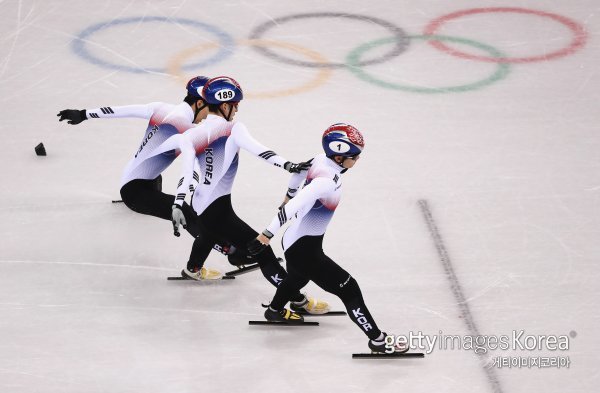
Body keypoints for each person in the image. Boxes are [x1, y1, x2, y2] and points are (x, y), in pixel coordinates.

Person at [170, 76, 329, 313]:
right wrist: (287, 165)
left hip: (199, 205)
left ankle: (193, 268)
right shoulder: (233, 129)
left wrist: (178, 203)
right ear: (225, 105)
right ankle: (297, 300)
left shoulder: (190, 135)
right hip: (217, 210)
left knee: (209, 233)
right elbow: (259, 150)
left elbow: (186, 174)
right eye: (236, 105)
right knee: (263, 252)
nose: (236, 111)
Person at [248, 123, 408, 353]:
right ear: (340, 157)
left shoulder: (320, 159)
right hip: (304, 249)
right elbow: (294, 206)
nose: (357, 160)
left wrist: (287, 195)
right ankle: (378, 340)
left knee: (297, 278)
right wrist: (265, 235)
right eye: (354, 156)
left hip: (295, 241)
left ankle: (274, 310)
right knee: (350, 290)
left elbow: (298, 172)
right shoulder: (325, 181)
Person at [56, 76, 228, 279]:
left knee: (156, 167)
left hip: (135, 180)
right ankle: (214, 257)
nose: (208, 117)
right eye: (209, 109)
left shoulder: (160, 108)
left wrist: (83, 114)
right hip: (135, 194)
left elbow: (120, 111)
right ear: (199, 103)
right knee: (188, 213)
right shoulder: (188, 130)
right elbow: (193, 170)